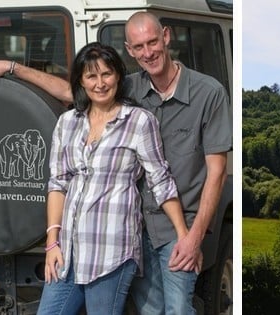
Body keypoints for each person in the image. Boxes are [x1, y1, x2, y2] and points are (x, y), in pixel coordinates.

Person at [0, 11, 232, 315]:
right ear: (130, 51)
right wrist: (12, 67)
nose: (148, 52)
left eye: (153, 42)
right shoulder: (127, 89)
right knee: (149, 310)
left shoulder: (206, 93)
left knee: (177, 308)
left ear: (167, 37)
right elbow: (75, 91)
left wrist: (192, 237)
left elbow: (215, 172)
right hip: (133, 224)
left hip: (177, 224)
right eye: (139, 46)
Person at [36, 41, 188, 315]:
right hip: (67, 252)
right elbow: (57, 183)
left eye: (106, 74)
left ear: (118, 75)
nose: (100, 83)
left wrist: (183, 235)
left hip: (112, 252)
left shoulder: (139, 122)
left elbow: (160, 180)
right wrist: (52, 242)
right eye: (91, 76)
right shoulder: (68, 122)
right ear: (81, 81)